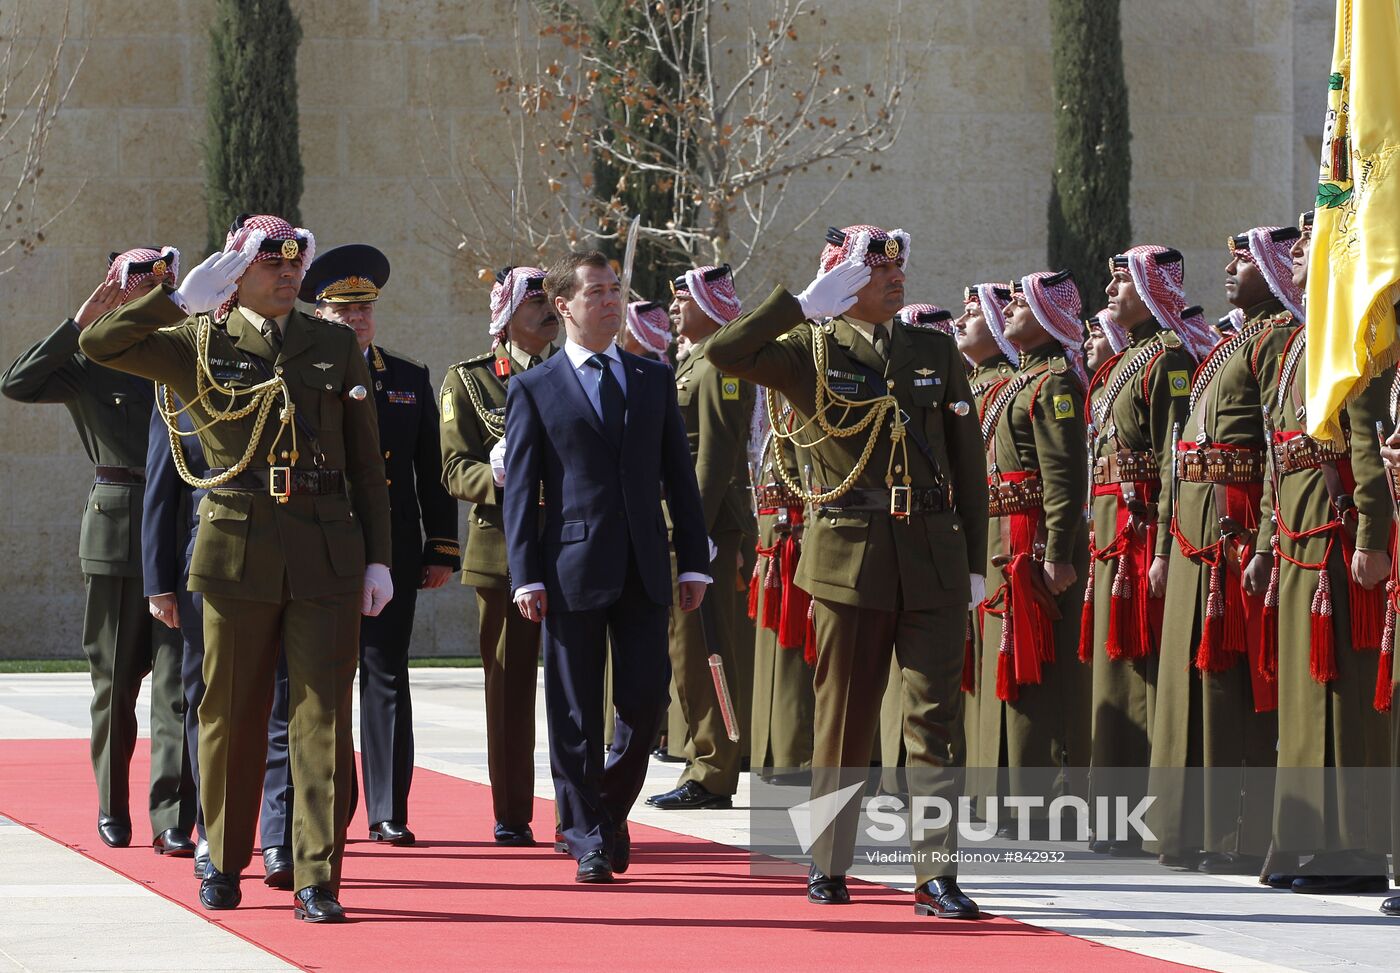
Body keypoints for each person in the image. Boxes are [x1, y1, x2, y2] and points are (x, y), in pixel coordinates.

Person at [78, 214, 393, 924]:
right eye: (270, 264)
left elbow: (367, 466)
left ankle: (317, 873)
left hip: (325, 548)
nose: (288, 274)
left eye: (294, 264)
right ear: (238, 271)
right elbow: (99, 345)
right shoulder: (198, 341)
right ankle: (222, 858)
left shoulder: (333, 342)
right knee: (226, 713)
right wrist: (176, 302)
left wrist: (380, 557)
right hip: (234, 546)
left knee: (321, 717)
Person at [707, 224, 987, 919]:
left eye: (898, 268)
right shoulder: (809, 348)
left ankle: (936, 875)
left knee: (933, 721)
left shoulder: (934, 350)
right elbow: (724, 352)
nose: (894, 279)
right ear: (843, 280)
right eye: (876, 270)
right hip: (850, 556)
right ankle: (829, 858)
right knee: (844, 721)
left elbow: (966, 463)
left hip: (932, 556)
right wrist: (800, 305)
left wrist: (976, 562)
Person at [501, 251, 710, 883]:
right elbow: (522, 487)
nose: (612, 300)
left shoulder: (651, 378)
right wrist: (524, 573)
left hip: (646, 565)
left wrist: (693, 559)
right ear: (564, 305)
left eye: (616, 290)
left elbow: (680, 474)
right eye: (597, 292)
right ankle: (584, 831)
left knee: (645, 702)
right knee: (572, 709)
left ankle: (608, 807)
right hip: (569, 567)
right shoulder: (534, 386)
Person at [1, 248, 193, 855]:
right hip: (117, 526)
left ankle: (171, 818)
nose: (143, 302)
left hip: (184, 527)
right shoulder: (87, 360)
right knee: (114, 682)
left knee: (177, 685)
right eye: (132, 290)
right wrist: (78, 324)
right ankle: (112, 806)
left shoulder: (184, 352)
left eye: (155, 290)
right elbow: (18, 382)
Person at [1247, 212, 1392, 893]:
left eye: (1311, 243)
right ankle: (1308, 842)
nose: (1297, 253)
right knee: (1308, 705)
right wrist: (1270, 547)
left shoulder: (1349, 331)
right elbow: (1283, 459)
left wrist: (1371, 537)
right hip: (1301, 544)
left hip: (1339, 546)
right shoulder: (1298, 343)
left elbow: (1364, 440)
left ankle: (1355, 848)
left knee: (1346, 700)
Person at [297, 244, 459, 847]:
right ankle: (328, 805)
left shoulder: (408, 379)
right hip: (321, 547)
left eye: (365, 309)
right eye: (344, 310)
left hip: (390, 548)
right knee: (325, 678)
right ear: (320, 314)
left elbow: (431, 471)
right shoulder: (304, 373)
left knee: (387, 672)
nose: (358, 319)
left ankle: (388, 808)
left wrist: (441, 548)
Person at [1158, 226, 1302, 875]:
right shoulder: (1235, 342)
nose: (1228, 267)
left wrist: (1267, 539)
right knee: (1197, 688)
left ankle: (1237, 834)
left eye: (1243, 258)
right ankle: (1191, 829)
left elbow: (1278, 447)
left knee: (1234, 690)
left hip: (1234, 531)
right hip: (1198, 530)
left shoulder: (1274, 339)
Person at [1086, 246, 1205, 861]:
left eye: (1122, 280)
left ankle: (1147, 817)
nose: (1110, 289)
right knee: (1115, 669)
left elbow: (1171, 458)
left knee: (1143, 672)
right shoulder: (1130, 358)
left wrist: (1160, 544)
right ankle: (1113, 817)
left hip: (1141, 536)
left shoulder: (1170, 360)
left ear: (1152, 288)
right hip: (1110, 533)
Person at [440, 264, 557, 847]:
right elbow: (452, 467)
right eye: (535, 303)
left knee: (576, 685)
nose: (549, 312)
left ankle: (582, 812)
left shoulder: (575, 372)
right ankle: (513, 812)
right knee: (508, 687)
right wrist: (497, 473)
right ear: (508, 316)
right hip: (505, 549)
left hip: (571, 544)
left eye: (551, 302)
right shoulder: (472, 381)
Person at [974, 271, 1091, 833]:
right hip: (1004, 534)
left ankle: (1036, 802)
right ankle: (1005, 795)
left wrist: (1058, 552)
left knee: (1033, 668)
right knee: (1007, 663)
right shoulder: (1022, 382)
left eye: (1021, 303)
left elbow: (1063, 477)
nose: (1009, 310)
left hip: (1033, 540)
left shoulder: (1056, 383)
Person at [648, 264, 756, 811]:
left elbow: (713, 458)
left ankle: (714, 770)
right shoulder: (693, 362)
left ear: (710, 306)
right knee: (686, 652)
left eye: (682, 300)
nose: (672, 310)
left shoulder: (719, 365)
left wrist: (696, 532)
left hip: (708, 529)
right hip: (685, 522)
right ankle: (700, 758)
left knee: (708, 653)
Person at [953, 284, 1020, 771]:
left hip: (1004, 535)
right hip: (969, 530)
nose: (961, 322)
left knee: (999, 655)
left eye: (973, 314)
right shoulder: (974, 387)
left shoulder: (1008, 386)